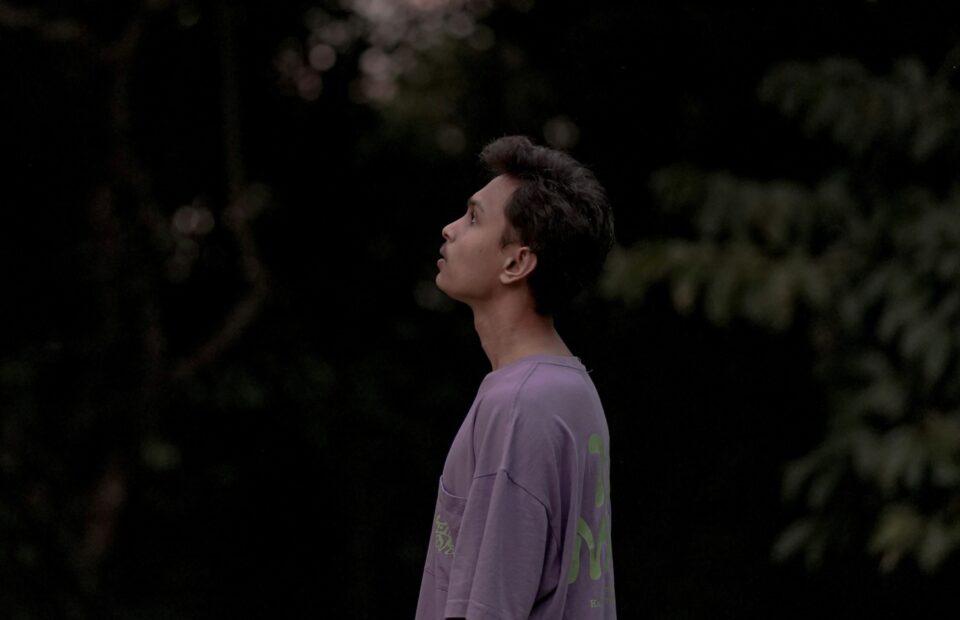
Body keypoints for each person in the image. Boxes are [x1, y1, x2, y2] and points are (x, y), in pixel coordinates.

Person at [415, 135, 617, 619]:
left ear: (517, 262)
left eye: (473, 218)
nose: (449, 229)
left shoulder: (519, 405)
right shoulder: (570, 388)